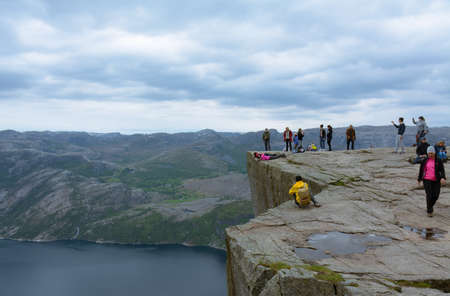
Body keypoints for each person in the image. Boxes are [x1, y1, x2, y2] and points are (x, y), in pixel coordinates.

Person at [418, 146, 446, 217]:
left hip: (436, 180)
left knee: (436, 195)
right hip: (427, 180)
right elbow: (421, 170)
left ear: (434, 153)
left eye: (431, 153)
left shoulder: (438, 160)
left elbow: (442, 170)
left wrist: (442, 177)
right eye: (429, 153)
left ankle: (430, 206)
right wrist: (419, 179)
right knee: (429, 195)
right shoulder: (424, 160)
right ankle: (429, 210)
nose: (430, 155)